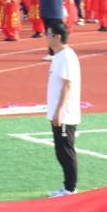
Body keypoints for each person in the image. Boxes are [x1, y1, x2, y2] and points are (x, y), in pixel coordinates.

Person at [46, 21, 81, 196]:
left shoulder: (66, 56)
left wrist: (59, 111)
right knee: (60, 151)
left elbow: (68, 85)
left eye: (48, 34)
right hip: (58, 112)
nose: (46, 38)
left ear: (57, 37)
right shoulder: (59, 56)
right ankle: (67, 186)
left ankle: (70, 188)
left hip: (65, 114)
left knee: (66, 152)